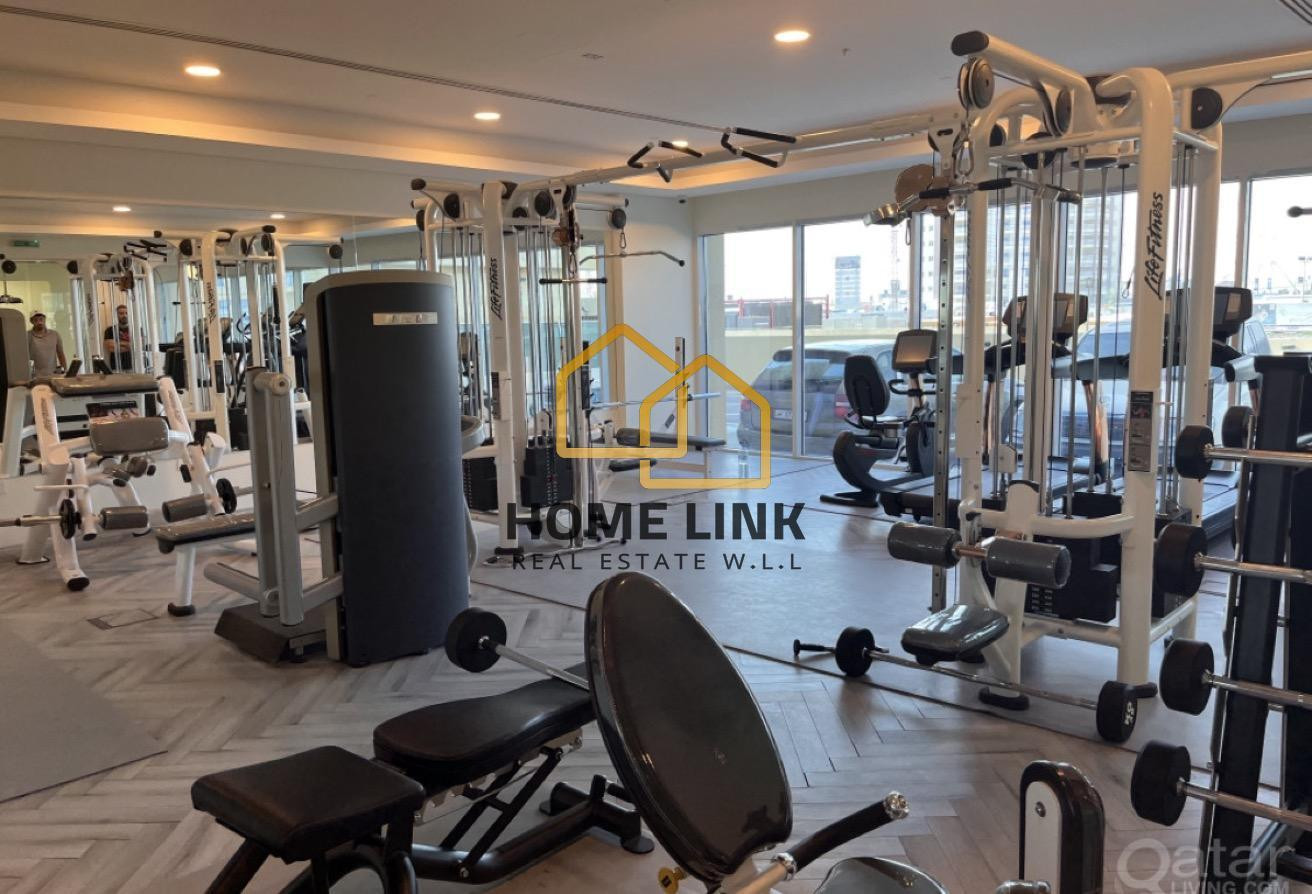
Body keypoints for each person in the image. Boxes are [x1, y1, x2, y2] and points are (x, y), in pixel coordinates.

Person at [27, 312, 67, 378]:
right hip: (35, 377)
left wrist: (65, 372)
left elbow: (61, 354)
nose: (39, 322)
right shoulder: (27, 336)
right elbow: (24, 357)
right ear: (31, 321)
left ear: (45, 319)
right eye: (36, 320)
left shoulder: (55, 335)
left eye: (41, 319)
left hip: (53, 376)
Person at [103, 304, 134, 371]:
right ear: (116, 315)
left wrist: (117, 343)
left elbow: (139, 346)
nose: (124, 315)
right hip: (116, 368)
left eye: (126, 313)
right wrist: (129, 345)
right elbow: (110, 347)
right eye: (121, 313)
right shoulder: (110, 330)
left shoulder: (135, 329)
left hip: (135, 365)